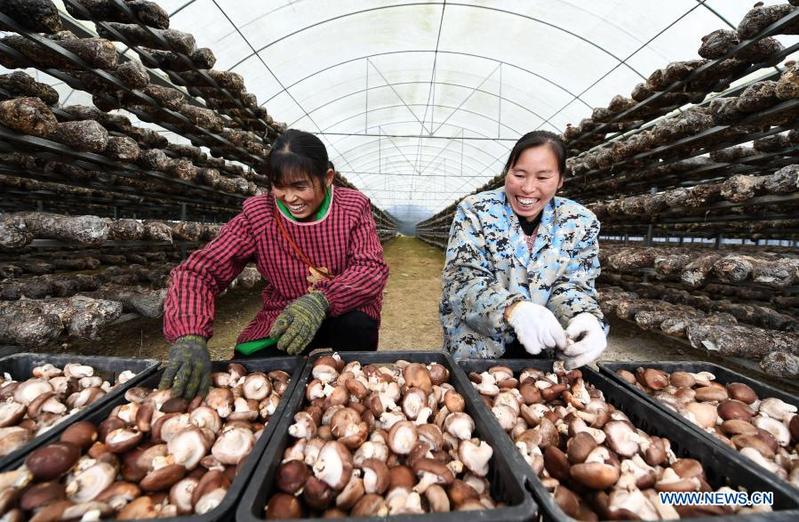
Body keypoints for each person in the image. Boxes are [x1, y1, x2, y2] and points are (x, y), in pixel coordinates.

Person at [160, 129, 389, 398]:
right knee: (250, 370)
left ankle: (353, 378)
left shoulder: (352, 207)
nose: (289, 198)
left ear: (327, 178)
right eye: (280, 186)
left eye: (300, 187)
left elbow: (370, 268)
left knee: (357, 325)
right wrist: (189, 334)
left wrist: (321, 300)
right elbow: (199, 272)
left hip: (344, 309)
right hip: (285, 313)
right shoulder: (258, 216)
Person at [440, 130, 607, 369]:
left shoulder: (579, 222)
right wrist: (513, 310)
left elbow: (573, 285)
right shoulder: (476, 211)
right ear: (507, 172)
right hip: (479, 352)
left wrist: (584, 316)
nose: (528, 188)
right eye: (519, 175)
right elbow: (462, 279)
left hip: (548, 350)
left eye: (543, 177)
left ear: (560, 180)